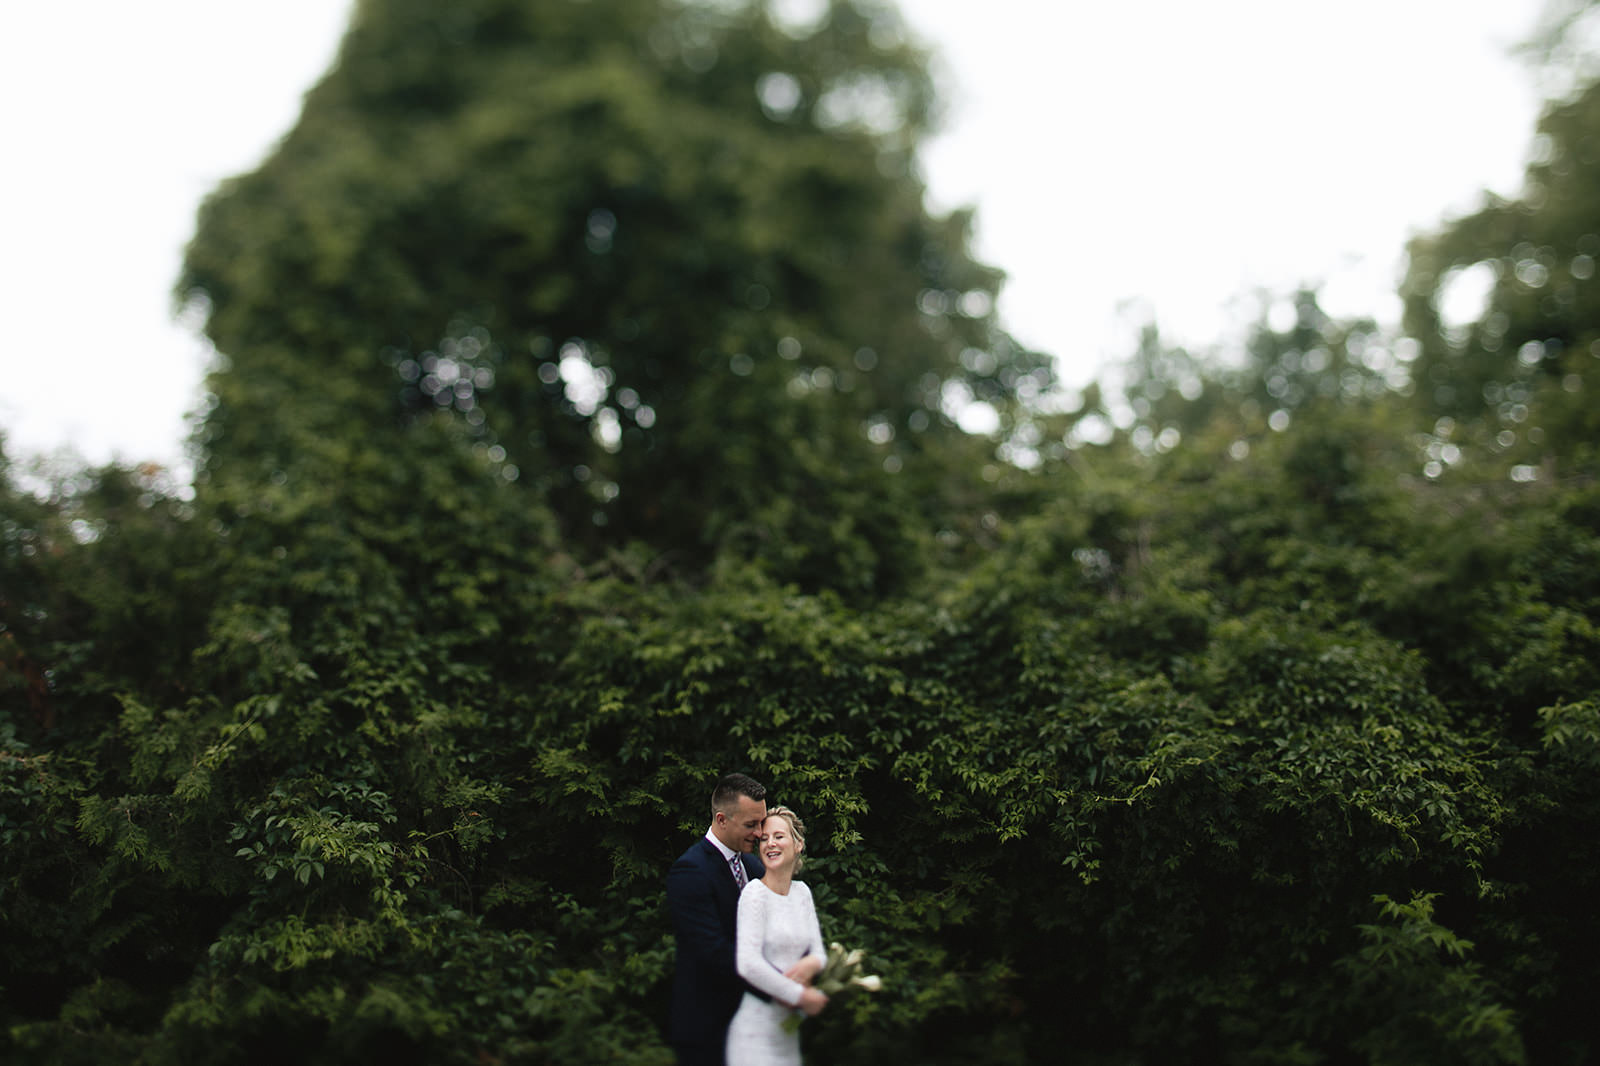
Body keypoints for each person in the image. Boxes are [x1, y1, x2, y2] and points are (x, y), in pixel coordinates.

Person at [666, 773, 771, 1066]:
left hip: (753, 1024)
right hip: (708, 1028)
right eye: (751, 825)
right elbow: (713, 952)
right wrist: (779, 983)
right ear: (722, 819)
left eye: (762, 822)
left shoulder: (752, 865)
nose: (761, 833)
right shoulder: (690, 871)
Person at [725, 805, 829, 1066]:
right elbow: (747, 964)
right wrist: (800, 996)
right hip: (754, 1033)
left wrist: (810, 963)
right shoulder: (754, 894)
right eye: (764, 839)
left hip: (788, 1034)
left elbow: (819, 954)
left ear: (798, 844)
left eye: (779, 836)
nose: (770, 843)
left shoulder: (802, 892)